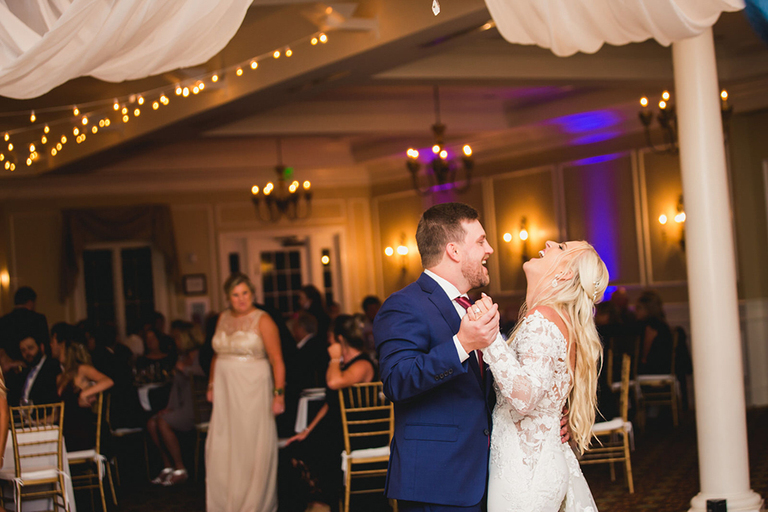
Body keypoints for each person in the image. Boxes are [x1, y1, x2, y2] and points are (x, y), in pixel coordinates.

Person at [374, 203, 500, 512]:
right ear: (454, 251)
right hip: (437, 482)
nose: (490, 249)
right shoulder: (403, 305)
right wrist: (461, 344)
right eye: (481, 241)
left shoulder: (474, 307)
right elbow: (397, 381)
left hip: (486, 475)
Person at [472, 240, 607, 512]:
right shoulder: (559, 319)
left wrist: (490, 337)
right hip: (536, 463)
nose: (549, 243)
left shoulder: (543, 318)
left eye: (561, 247)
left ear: (565, 273)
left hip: (525, 472)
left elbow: (525, 398)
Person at [206, 272, 286, 512]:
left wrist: (278, 394)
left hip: (252, 388)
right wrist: (211, 384)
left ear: (252, 294)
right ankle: (225, 502)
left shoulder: (264, 320)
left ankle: (253, 504)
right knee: (223, 443)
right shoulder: (222, 318)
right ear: (228, 297)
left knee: (250, 443)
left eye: (245, 293)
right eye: (235, 295)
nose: (241, 299)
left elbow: (277, 359)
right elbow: (216, 355)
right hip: (225, 391)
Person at [283, 314, 377, 511]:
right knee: (293, 450)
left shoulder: (363, 364)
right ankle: (318, 503)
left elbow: (334, 383)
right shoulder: (340, 365)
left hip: (356, 433)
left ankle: (324, 503)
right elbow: (330, 403)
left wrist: (334, 358)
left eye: (330, 337)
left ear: (339, 339)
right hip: (336, 429)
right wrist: (307, 430)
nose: (327, 342)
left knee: (307, 453)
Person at [147, 322, 205, 486]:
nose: (176, 342)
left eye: (178, 338)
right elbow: (176, 389)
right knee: (152, 423)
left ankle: (180, 468)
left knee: (162, 422)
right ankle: (168, 466)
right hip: (182, 405)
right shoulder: (181, 358)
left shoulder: (201, 356)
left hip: (199, 407)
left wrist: (185, 369)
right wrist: (169, 407)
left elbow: (205, 374)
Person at [50, 323, 114, 452]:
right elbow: (58, 414)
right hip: (65, 433)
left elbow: (108, 381)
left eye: (52, 341)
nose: (50, 345)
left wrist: (84, 393)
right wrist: (35, 422)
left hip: (81, 433)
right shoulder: (60, 377)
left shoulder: (82, 370)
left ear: (62, 345)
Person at [0, 286, 50, 364]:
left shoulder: (3, 321)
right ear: (30, 302)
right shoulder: (38, 319)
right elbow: (45, 345)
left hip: (11, 366)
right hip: (35, 364)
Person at [7, 335, 61, 406]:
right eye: (23, 350)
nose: (27, 353)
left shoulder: (52, 366)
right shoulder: (23, 371)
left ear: (41, 347)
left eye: (30, 348)